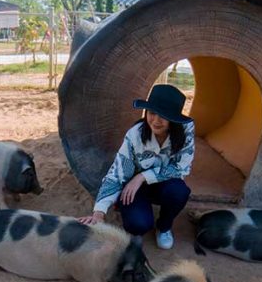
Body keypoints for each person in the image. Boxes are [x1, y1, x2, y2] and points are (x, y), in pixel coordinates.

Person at [79, 84, 195, 250]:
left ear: (174, 119)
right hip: (134, 189)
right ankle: (137, 211)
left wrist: (141, 177)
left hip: (164, 184)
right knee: (138, 225)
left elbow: (181, 168)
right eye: (152, 113)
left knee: (179, 192)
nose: (156, 120)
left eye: (164, 116)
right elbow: (117, 173)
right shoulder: (135, 135)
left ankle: (164, 227)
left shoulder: (186, 131)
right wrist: (99, 213)